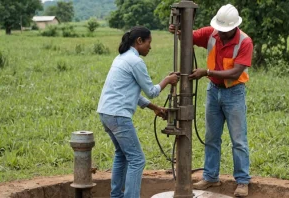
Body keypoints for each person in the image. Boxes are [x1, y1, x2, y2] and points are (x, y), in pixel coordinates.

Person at [169, 4, 253, 197]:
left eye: (225, 31)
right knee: (211, 137)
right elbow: (189, 36)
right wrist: (179, 30)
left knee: (238, 139)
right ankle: (210, 177)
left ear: (234, 27)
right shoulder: (212, 33)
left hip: (234, 92)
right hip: (213, 91)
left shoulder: (244, 42)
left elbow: (236, 71)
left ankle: (242, 181)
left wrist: (206, 72)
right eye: (220, 30)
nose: (221, 34)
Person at [97, 26, 179, 198]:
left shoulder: (121, 58)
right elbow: (152, 91)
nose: (150, 47)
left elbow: (131, 93)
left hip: (106, 113)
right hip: (119, 115)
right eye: (149, 42)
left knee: (122, 154)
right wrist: (168, 80)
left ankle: (117, 196)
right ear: (139, 41)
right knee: (137, 160)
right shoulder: (135, 62)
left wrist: (154, 108)